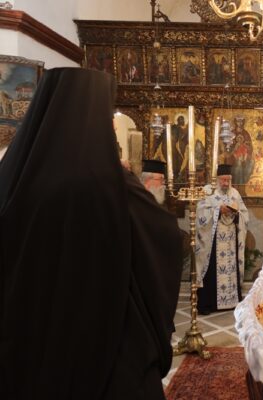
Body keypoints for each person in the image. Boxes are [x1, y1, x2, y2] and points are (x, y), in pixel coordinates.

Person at [0, 67, 183, 399]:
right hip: (109, 346)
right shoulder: (112, 184)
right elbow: (166, 235)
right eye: (107, 116)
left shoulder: (14, 178)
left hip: (32, 347)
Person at [195, 164, 248, 315]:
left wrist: (236, 214)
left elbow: (245, 215)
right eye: (223, 180)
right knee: (211, 270)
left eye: (228, 180)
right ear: (217, 179)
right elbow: (200, 212)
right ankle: (208, 304)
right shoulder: (208, 191)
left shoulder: (235, 193)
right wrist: (218, 211)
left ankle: (230, 302)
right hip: (213, 242)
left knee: (230, 270)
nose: (226, 183)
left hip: (230, 242)